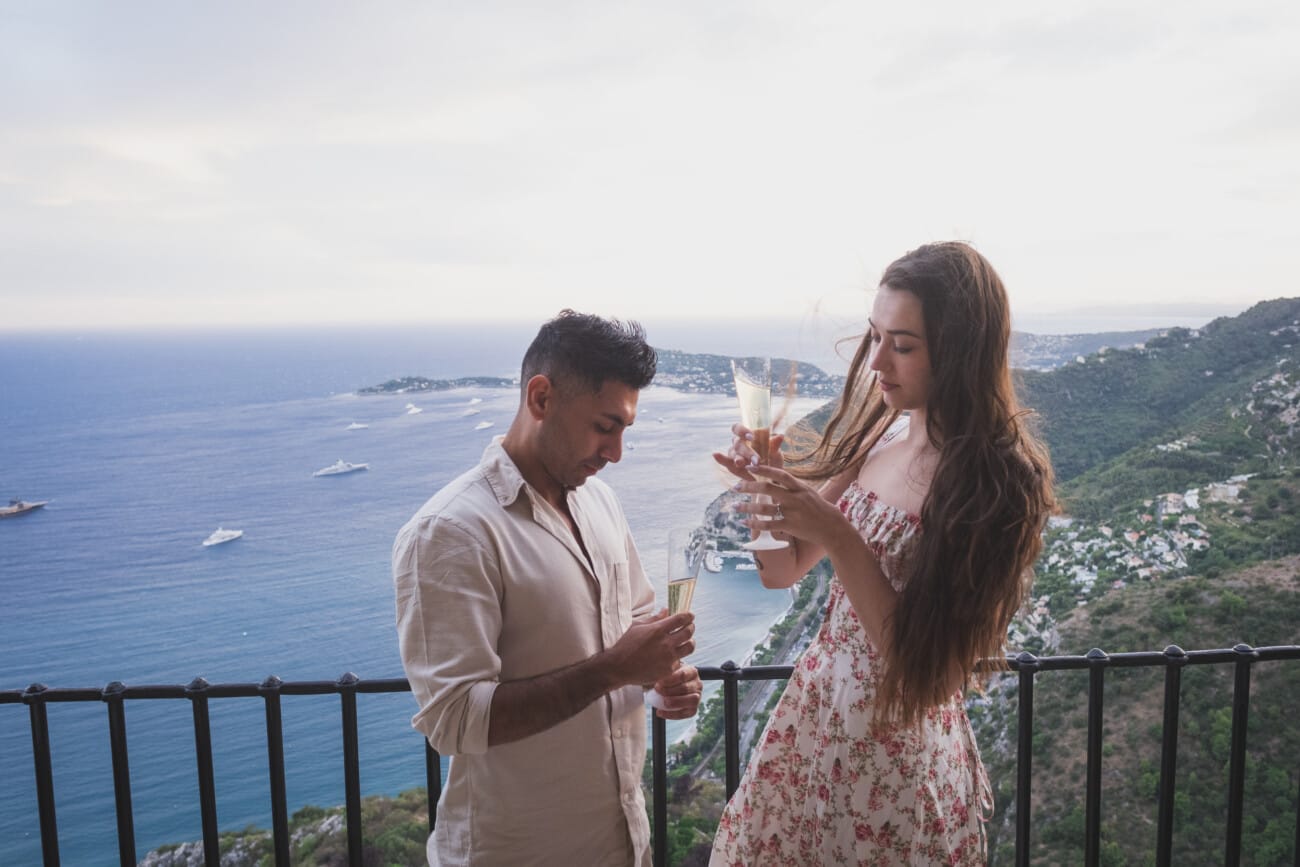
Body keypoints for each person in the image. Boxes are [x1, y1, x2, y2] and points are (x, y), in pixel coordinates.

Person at [708, 242, 1055, 865]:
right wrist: (765, 485)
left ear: (960, 351)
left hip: (895, 762)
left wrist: (840, 536)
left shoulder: (994, 481)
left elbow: (930, 677)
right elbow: (780, 569)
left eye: (902, 345)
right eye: (873, 337)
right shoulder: (883, 430)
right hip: (816, 727)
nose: (876, 363)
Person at [393, 310, 704, 867]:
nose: (615, 453)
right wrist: (614, 669)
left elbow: (636, 624)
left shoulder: (598, 502)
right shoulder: (452, 532)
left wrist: (660, 684)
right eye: (604, 427)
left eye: (624, 431)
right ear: (541, 399)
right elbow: (455, 719)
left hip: (622, 844)